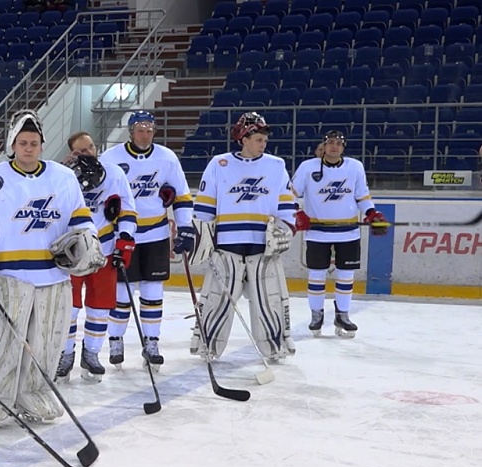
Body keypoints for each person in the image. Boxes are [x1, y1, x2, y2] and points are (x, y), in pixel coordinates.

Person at [0, 110, 101, 426]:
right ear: (13, 144)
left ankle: (33, 393)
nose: (28, 148)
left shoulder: (62, 177)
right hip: (9, 277)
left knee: (46, 343)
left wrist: (87, 241)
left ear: (42, 144)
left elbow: (80, 219)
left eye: (34, 143)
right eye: (23, 142)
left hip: (53, 277)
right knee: (0, 343)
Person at [187, 111, 298, 362]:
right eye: (258, 139)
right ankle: (209, 346)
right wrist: (199, 235)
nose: (263, 144)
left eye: (264, 140)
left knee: (268, 300)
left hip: (263, 246)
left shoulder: (276, 165)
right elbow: (204, 205)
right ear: (244, 138)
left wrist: (287, 229)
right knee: (218, 299)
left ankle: (274, 347)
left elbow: (287, 204)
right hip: (227, 244)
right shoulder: (219, 163)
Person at [100, 111, 195, 370]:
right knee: (121, 294)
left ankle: (151, 341)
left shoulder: (167, 157)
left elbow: (183, 196)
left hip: (156, 234)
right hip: (123, 237)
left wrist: (185, 227)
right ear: (130, 131)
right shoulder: (110, 158)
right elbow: (96, 194)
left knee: (153, 292)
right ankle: (116, 339)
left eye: (150, 128)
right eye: (140, 129)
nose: (145, 133)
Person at [56, 133, 137, 380]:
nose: (89, 152)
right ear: (73, 153)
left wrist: (125, 239)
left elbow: (129, 209)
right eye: (82, 150)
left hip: (104, 249)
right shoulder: (61, 176)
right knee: (68, 309)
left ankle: (91, 353)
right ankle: (65, 354)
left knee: (100, 308)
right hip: (73, 252)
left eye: (91, 146)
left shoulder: (114, 173)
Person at [291, 130, 386, 337]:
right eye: (331, 143)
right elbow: (289, 194)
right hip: (317, 232)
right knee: (316, 275)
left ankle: (342, 314)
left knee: (346, 275)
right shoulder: (308, 167)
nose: (334, 146)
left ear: (343, 148)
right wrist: (297, 212)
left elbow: (362, 196)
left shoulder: (355, 167)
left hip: (348, 232)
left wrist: (371, 213)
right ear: (323, 146)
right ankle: (316, 315)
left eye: (339, 144)